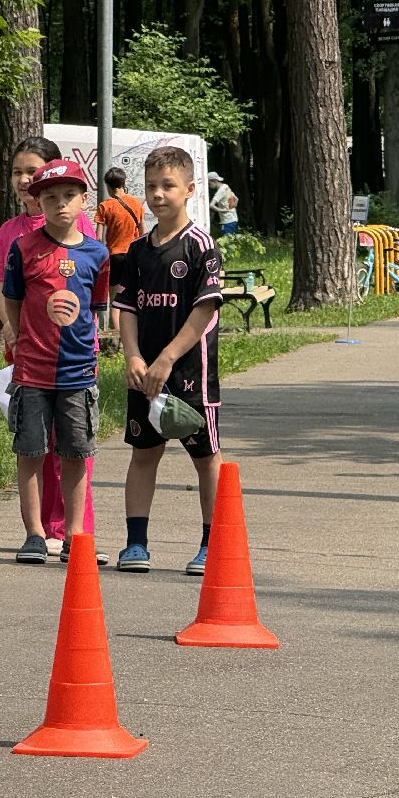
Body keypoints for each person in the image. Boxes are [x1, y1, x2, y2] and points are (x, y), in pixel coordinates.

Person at [0, 136, 105, 562]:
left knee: (75, 450)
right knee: (32, 449)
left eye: (68, 196)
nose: (59, 204)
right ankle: (36, 533)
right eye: (50, 196)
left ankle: (76, 533)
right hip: (32, 364)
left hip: (77, 366)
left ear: (81, 199)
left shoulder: (95, 249)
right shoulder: (17, 241)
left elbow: (93, 303)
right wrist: (15, 333)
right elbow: (10, 293)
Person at [115, 146, 226, 576]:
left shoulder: (201, 246)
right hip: (144, 374)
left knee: (205, 457)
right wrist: (133, 356)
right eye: (151, 187)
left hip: (189, 374)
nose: (158, 195)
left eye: (168, 186)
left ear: (190, 190)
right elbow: (126, 308)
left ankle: (210, 544)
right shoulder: (138, 250)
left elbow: (205, 309)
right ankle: (136, 544)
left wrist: (166, 358)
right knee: (144, 454)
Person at [94, 166, 146, 311]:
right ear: (124, 183)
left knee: (115, 298)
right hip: (133, 254)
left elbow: (98, 237)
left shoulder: (105, 206)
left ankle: (117, 330)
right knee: (133, 292)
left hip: (115, 255)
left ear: (108, 186)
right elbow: (142, 232)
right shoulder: (136, 203)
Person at [207, 171, 239, 237]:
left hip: (227, 221)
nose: (209, 186)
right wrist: (234, 204)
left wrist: (222, 210)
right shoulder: (226, 186)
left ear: (214, 181)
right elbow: (236, 198)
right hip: (233, 219)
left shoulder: (220, 191)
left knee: (226, 244)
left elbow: (211, 205)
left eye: (209, 183)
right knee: (231, 243)